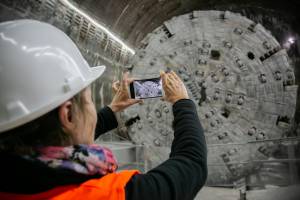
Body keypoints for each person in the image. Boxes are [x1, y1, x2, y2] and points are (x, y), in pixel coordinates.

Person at [0, 20, 207, 200]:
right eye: (90, 100)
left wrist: (113, 109)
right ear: (69, 114)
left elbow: (61, 133)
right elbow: (192, 163)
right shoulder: (107, 195)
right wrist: (182, 102)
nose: (92, 108)